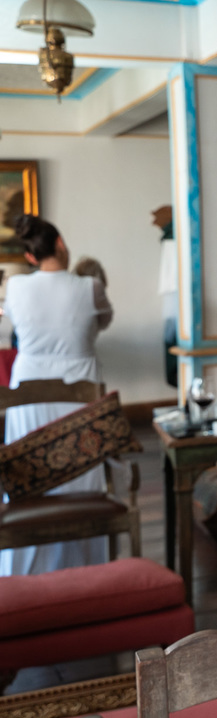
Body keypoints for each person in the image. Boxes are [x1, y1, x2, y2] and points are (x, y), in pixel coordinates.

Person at [0, 214, 113, 576]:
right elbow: (103, 322)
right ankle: (86, 570)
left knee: (31, 478)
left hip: (27, 395)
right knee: (79, 478)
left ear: (31, 257)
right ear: (61, 244)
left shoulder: (15, 287)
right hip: (79, 394)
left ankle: (25, 575)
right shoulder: (90, 286)